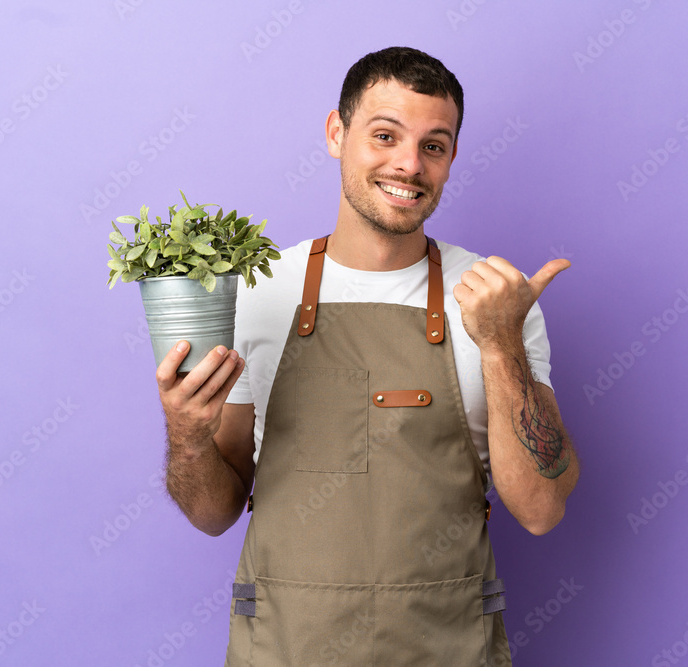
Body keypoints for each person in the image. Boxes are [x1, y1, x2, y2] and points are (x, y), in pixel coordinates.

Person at [155, 46, 579, 665]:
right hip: (286, 645)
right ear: (337, 133)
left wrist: (501, 343)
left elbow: (541, 509)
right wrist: (187, 436)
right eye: (385, 135)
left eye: (434, 145)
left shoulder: (495, 302)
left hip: (446, 645)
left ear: (452, 158)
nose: (409, 165)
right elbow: (214, 513)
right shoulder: (257, 291)